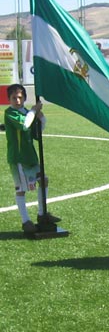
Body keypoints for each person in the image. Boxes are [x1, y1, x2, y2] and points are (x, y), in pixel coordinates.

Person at [3, 83, 60, 234]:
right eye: (14, 97)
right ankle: (25, 221)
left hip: (31, 157)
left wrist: (42, 119)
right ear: (9, 99)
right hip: (18, 158)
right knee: (21, 190)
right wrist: (34, 111)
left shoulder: (28, 112)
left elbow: (36, 134)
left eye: (20, 97)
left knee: (44, 180)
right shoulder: (9, 113)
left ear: (25, 98)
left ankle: (42, 214)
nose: (17, 100)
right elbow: (24, 125)